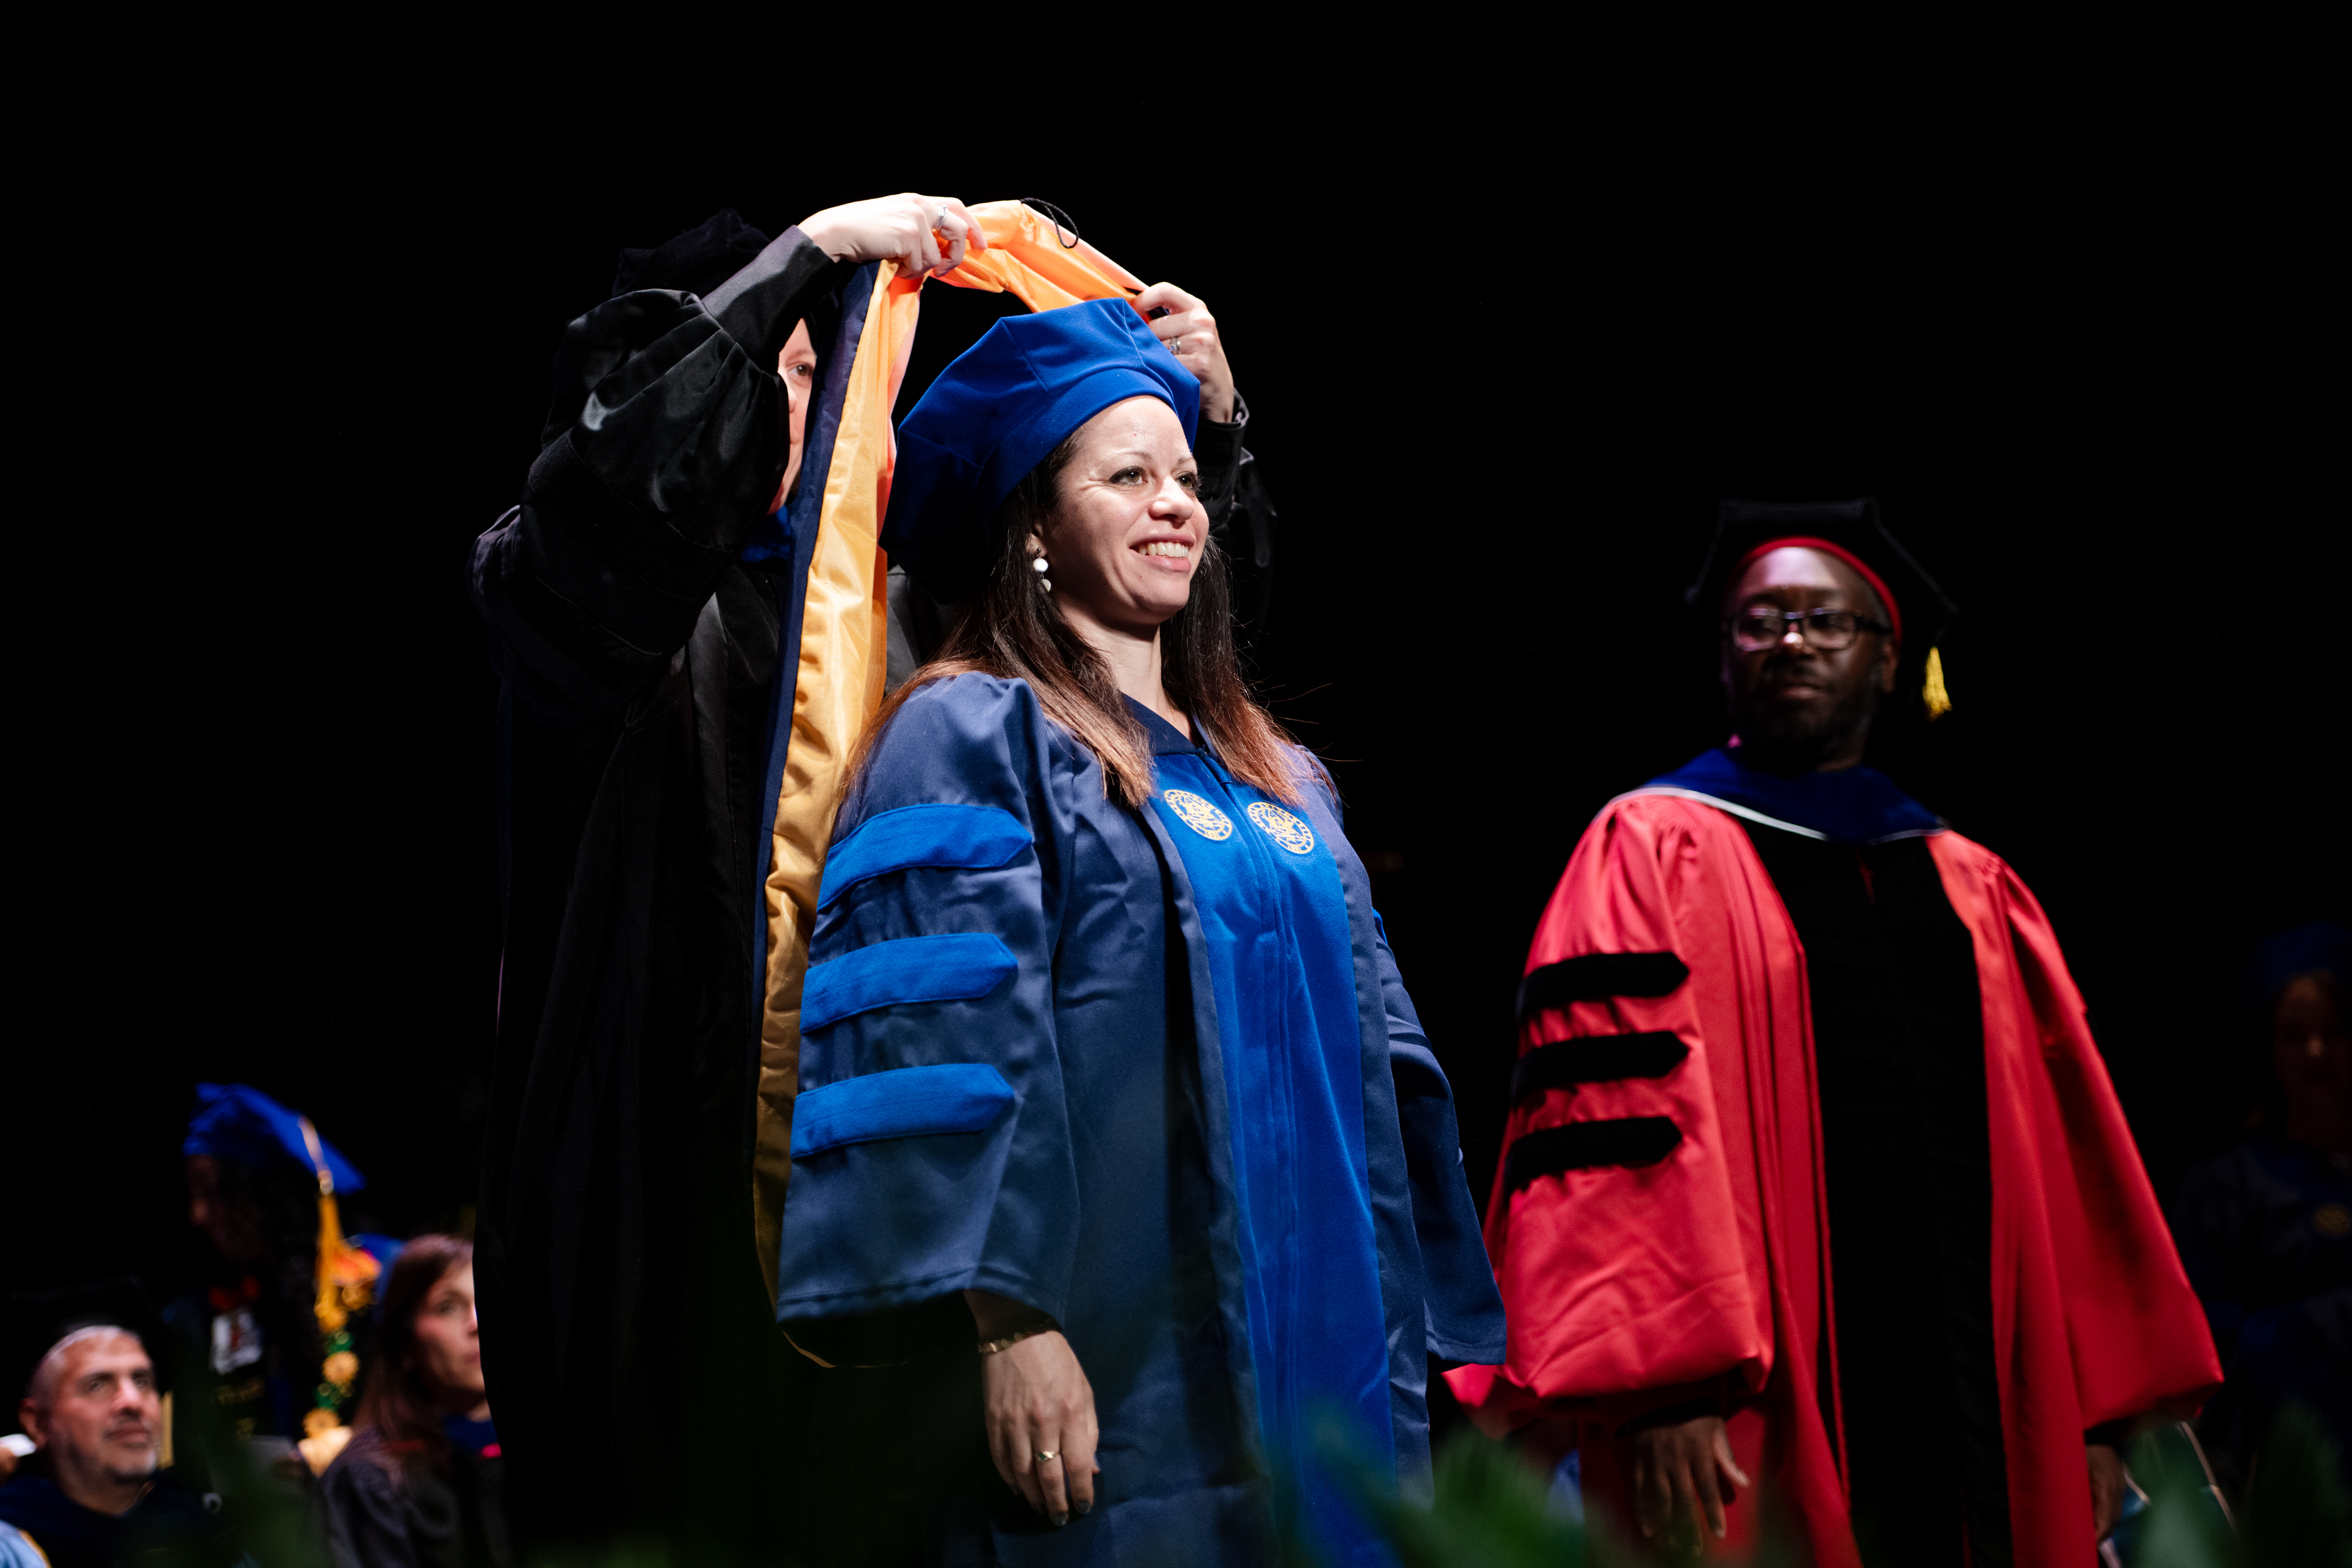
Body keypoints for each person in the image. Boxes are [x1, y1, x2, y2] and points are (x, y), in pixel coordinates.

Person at [470, 194, 1274, 1563]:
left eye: (818, 372)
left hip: (893, 1228)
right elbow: (640, 481)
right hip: (665, 1200)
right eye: (776, 370)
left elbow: (1166, 660)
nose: (804, 405)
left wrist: (1217, 425)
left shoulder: (921, 631)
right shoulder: (581, 591)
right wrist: (808, 258)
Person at [772, 296, 1504, 1566]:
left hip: (1334, 1338)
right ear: (1038, 531)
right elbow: (948, 1049)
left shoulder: (1282, 776)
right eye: (1125, 476)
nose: (1176, 503)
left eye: (1183, 477)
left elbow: (1386, 1060)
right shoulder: (976, 731)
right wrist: (1010, 1326)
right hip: (1119, 1350)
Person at [1448, 501, 2223, 1566]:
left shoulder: (1976, 887)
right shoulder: (1647, 849)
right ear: (1724, 658)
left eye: (1825, 622)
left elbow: (2071, 1175)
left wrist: (2093, 1410)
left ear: (1892, 657)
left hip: (1985, 1409)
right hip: (1735, 1406)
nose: (1791, 644)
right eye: (1759, 623)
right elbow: (1610, 1139)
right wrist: (1660, 1391)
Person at [2172, 920, 2352, 1494]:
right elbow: (2197, 1336)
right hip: (2278, 1476)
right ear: (2268, 1048)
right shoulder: (2229, 1186)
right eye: (2294, 1034)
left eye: (2335, 1030)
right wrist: (2317, 1329)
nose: (2316, 1051)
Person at [315, 1236, 510, 1567]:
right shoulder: (370, 1482)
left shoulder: (550, 1451)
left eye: (487, 1299)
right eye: (447, 1307)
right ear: (403, 1342)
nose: (478, 1324)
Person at [0, 1323, 248, 1567]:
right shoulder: (13, 1546)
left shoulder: (207, 1533)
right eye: (96, 1385)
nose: (132, 1402)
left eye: (142, 1381)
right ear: (37, 1422)